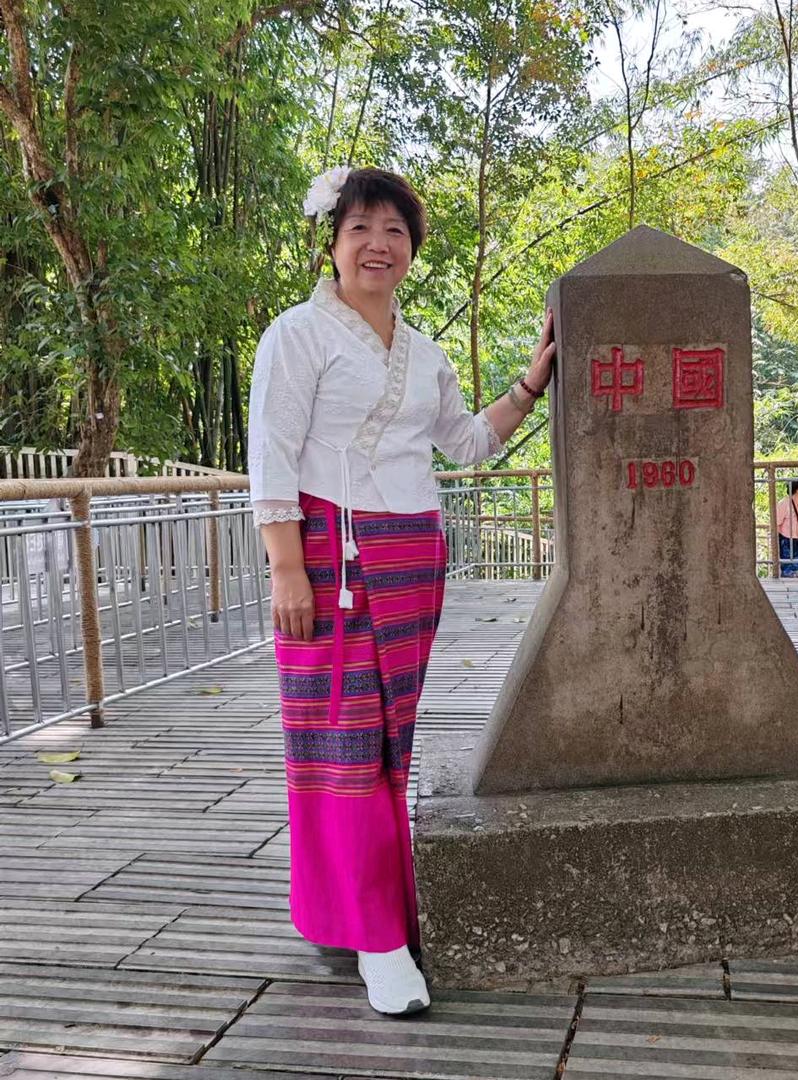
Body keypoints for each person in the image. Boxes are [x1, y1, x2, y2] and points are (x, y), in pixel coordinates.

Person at [246, 166, 555, 1017]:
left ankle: (354, 908)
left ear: (412, 251)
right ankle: (379, 937)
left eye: (395, 232)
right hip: (327, 558)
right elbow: (271, 453)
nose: (377, 245)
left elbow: (465, 444)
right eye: (360, 229)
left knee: (390, 743)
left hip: (413, 553)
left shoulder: (425, 354)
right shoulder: (296, 336)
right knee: (339, 738)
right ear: (333, 242)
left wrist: (531, 382)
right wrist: (285, 566)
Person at [775, 480, 798, 577]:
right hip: (787, 540)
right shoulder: (784, 504)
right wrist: (777, 541)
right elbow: (776, 523)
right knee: (789, 567)